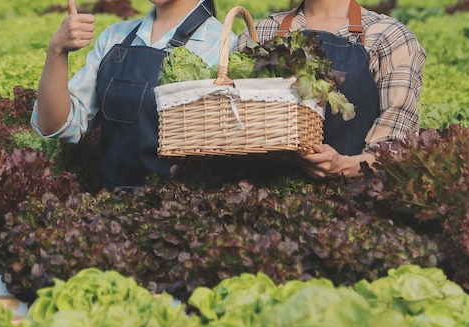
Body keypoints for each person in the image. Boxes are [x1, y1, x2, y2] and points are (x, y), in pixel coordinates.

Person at [31, 0, 232, 191]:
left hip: (182, 214)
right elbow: (56, 125)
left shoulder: (225, 47)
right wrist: (57, 51)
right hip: (113, 215)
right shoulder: (115, 37)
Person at [236, 0, 426, 179]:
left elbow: (396, 148)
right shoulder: (259, 33)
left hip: (351, 201)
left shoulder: (389, 36)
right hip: (267, 197)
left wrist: (344, 166)